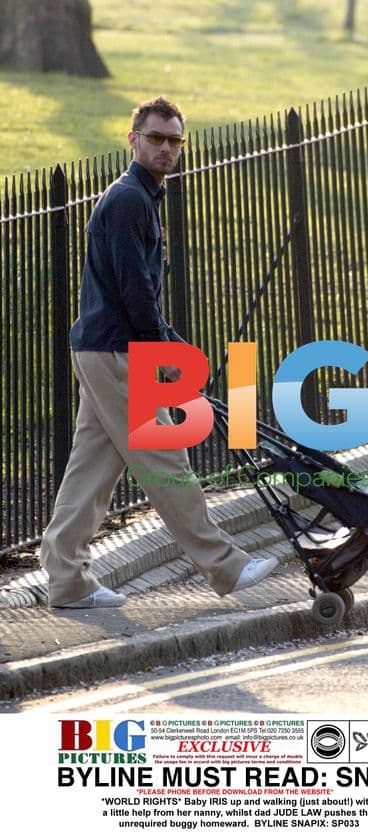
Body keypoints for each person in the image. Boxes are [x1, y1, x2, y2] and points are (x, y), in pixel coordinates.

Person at [40, 96, 278, 608]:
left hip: (104, 350)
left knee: (92, 469)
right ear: (133, 140)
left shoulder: (140, 198)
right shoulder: (129, 199)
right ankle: (226, 567)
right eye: (156, 138)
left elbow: (138, 289)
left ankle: (67, 581)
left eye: (174, 141)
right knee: (167, 462)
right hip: (119, 353)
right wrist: (163, 349)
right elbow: (134, 293)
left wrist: (166, 341)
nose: (166, 148)